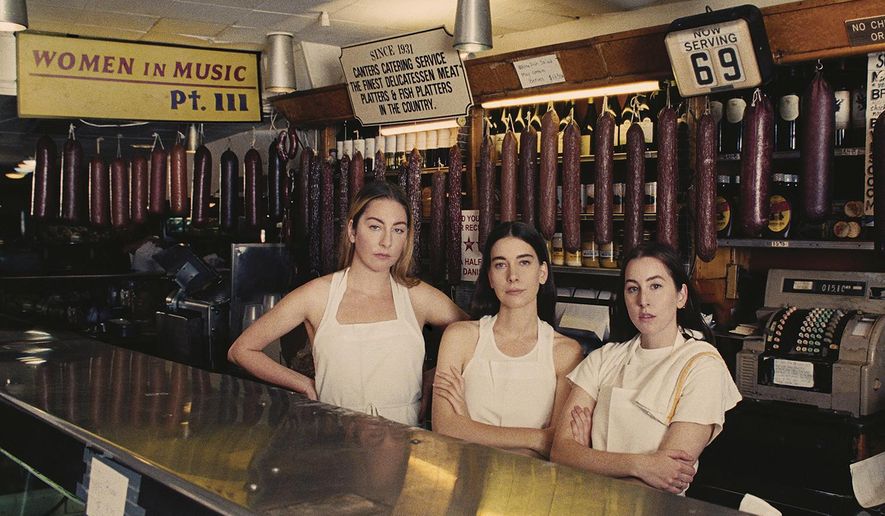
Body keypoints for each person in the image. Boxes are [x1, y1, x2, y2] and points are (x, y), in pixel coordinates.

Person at [228, 181, 467, 426]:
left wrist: (434, 375)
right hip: (335, 438)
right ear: (353, 231)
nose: (387, 242)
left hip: (404, 442)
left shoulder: (418, 297)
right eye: (375, 227)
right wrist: (305, 384)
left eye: (398, 230)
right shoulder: (317, 295)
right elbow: (241, 350)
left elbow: (479, 339)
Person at [550, 241, 741, 494]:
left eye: (656, 286)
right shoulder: (604, 358)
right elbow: (561, 452)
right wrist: (640, 464)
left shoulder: (702, 365)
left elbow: (668, 477)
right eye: (632, 289)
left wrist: (589, 459)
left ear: (681, 295)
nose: (643, 300)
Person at [432, 222, 583, 458]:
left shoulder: (565, 352)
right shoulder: (459, 337)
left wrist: (468, 426)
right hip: (466, 478)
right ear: (490, 278)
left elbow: (557, 447)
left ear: (542, 273)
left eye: (524, 262)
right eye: (501, 264)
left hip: (533, 486)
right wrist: (537, 437)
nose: (513, 276)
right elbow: (444, 427)